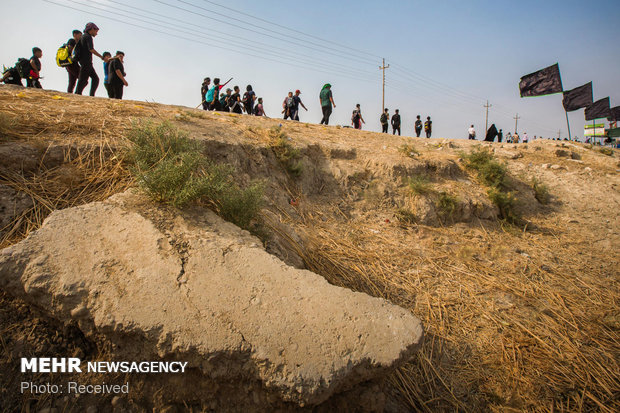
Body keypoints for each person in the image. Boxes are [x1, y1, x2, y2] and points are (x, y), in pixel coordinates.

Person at [75, 22, 104, 96]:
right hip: (86, 62)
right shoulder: (88, 37)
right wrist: (101, 57)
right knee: (83, 80)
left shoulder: (83, 36)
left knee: (94, 79)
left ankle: (90, 95)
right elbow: (91, 49)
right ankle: (78, 94)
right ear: (91, 29)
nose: (96, 33)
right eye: (96, 31)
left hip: (85, 62)